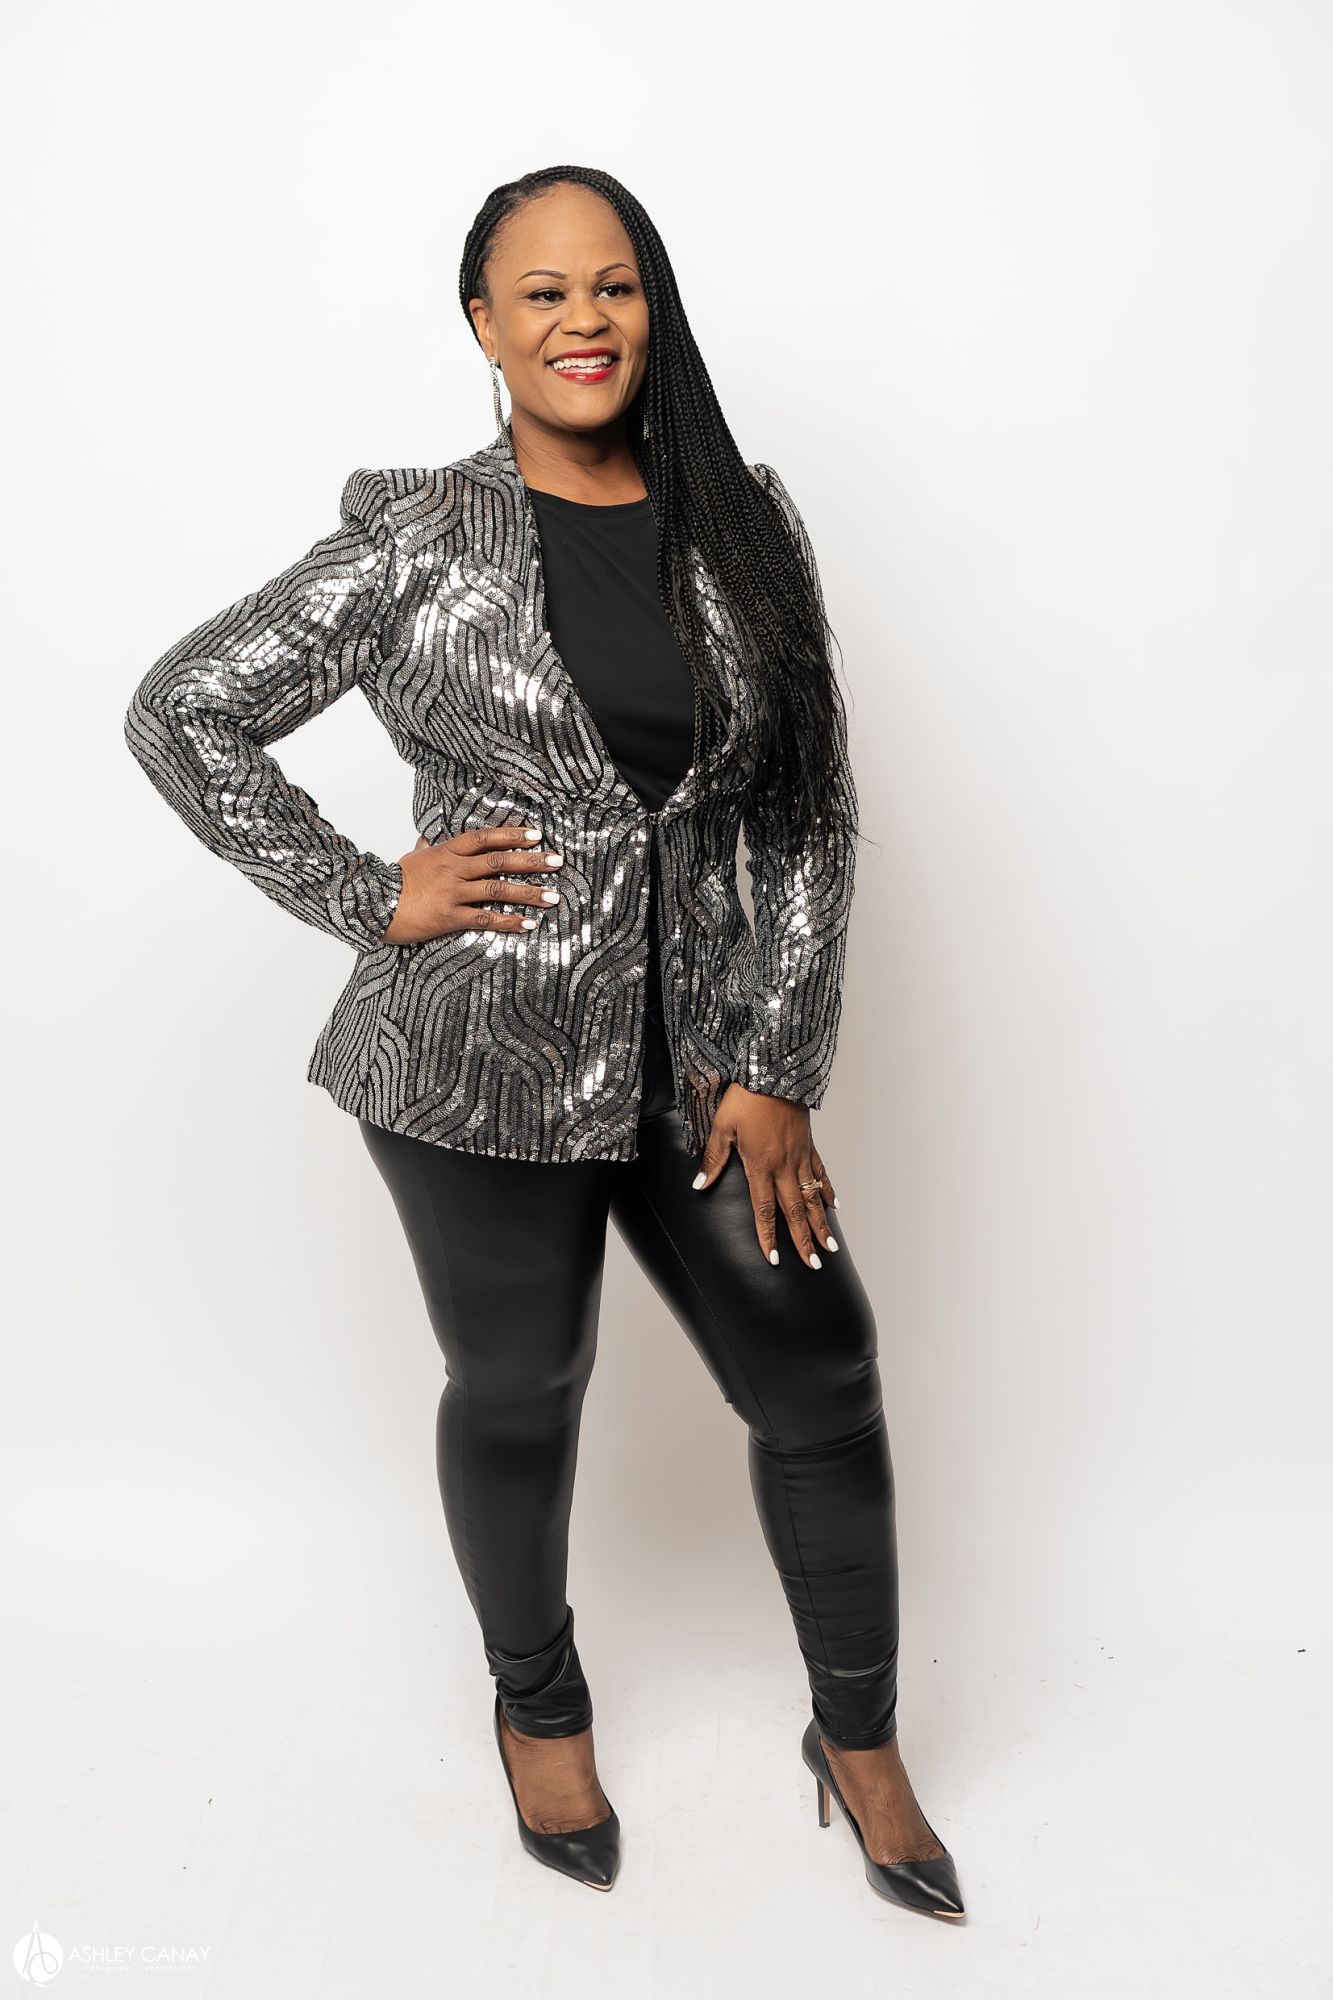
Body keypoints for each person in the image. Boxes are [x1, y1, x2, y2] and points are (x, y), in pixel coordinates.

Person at [124, 163, 965, 1917]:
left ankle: (859, 1738)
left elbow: (805, 805)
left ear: (651, 309)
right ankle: (537, 1704)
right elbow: (184, 708)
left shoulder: (743, 521)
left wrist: (780, 1065)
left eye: (615, 285)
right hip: (472, 1058)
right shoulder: (414, 535)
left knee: (819, 1374)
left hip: (707, 1058)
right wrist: (367, 893)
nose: (585, 320)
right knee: (522, 1388)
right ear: (484, 326)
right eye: (543, 293)